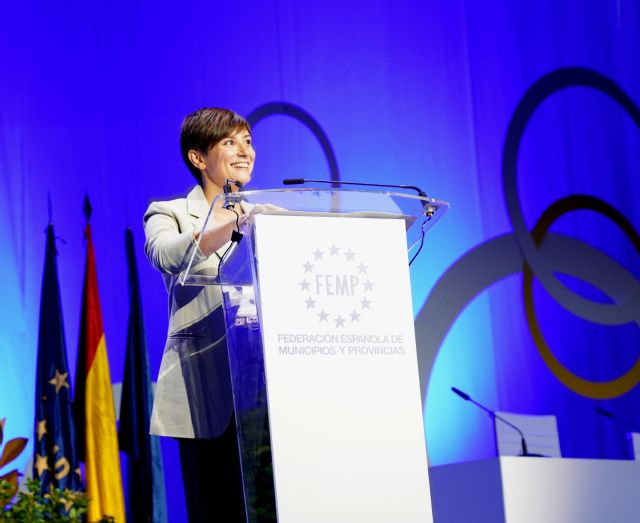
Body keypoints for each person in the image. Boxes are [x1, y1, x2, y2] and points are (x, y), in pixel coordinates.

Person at [143, 107, 255, 522]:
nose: (244, 151)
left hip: (264, 392)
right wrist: (229, 223)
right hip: (203, 388)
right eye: (230, 142)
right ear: (198, 157)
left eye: (247, 141)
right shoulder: (168, 213)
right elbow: (167, 255)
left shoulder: (265, 215)